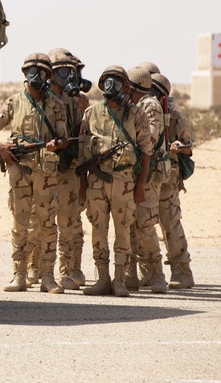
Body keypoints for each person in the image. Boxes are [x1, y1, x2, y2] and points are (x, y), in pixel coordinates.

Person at [0, 53, 69, 293]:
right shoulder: (12, 103)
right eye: (32, 70)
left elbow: (64, 139)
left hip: (45, 170)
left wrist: (56, 144)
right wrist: (1, 147)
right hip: (19, 169)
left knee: (46, 223)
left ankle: (48, 277)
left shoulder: (56, 105)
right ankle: (19, 275)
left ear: (48, 76)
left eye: (42, 71)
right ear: (24, 73)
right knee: (19, 223)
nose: (36, 75)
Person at [78, 65, 152, 297]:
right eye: (108, 82)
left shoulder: (136, 115)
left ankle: (119, 280)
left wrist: (140, 184)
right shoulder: (91, 113)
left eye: (118, 82)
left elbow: (146, 151)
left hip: (124, 180)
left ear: (125, 87)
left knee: (122, 230)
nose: (112, 87)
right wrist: (82, 185)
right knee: (98, 230)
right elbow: (82, 152)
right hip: (96, 181)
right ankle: (102, 279)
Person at [45, 48, 88, 290]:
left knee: (71, 221)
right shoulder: (40, 99)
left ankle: (71, 269)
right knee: (41, 220)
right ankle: (38, 270)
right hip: (46, 167)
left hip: (69, 167)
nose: (68, 76)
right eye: (62, 70)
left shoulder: (74, 99)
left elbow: (82, 131)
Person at [151, 73, 196, 288]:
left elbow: (188, 148)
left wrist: (177, 147)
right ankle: (148, 272)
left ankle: (182, 272)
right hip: (148, 177)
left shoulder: (174, 114)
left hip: (168, 178)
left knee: (170, 223)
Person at [126, 66, 167, 293]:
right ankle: (132, 274)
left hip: (148, 174)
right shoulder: (133, 106)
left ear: (134, 88)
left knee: (145, 225)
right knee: (130, 225)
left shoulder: (150, 106)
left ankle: (157, 274)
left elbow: (149, 138)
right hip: (133, 172)